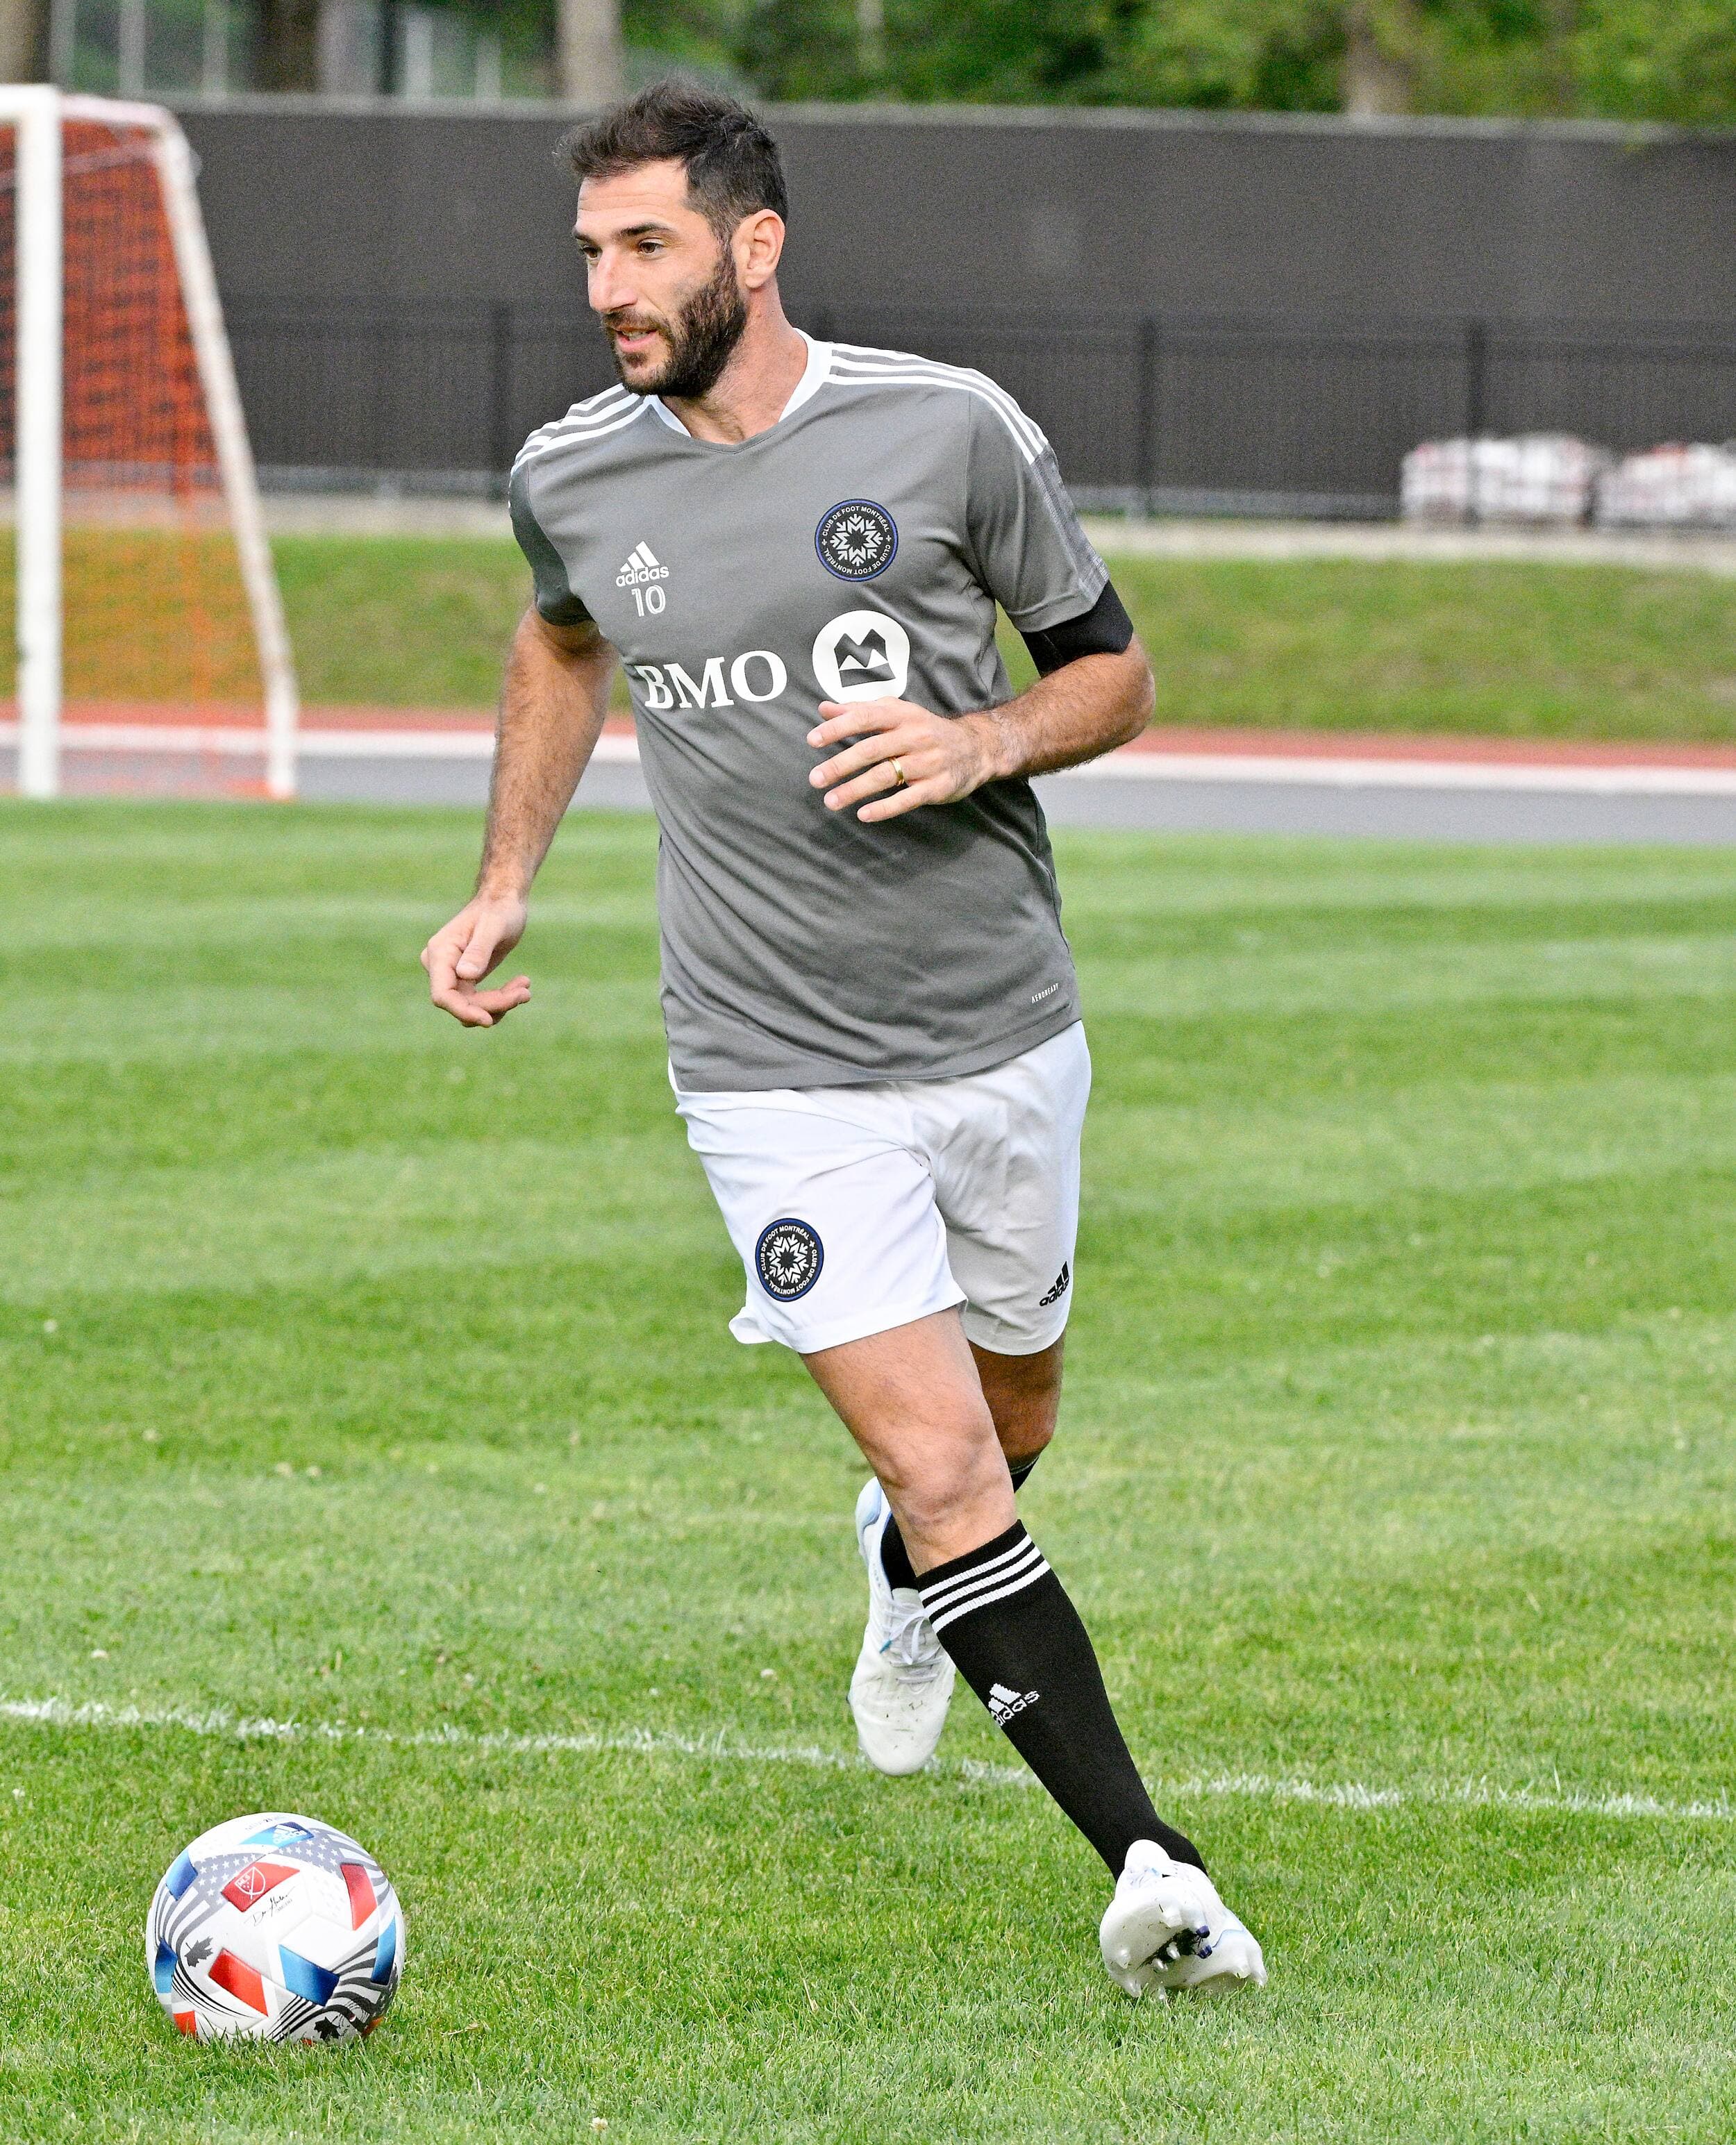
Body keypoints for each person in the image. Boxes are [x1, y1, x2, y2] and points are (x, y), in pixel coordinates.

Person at [421, 80, 1265, 2000]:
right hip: (765, 1069)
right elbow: (562, 638)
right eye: (588, 253)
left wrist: (980, 741)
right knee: (950, 1457)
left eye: (643, 247)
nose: (607, 288)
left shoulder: (942, 427)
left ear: (752, 245)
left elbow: (1113, 667)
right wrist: (504, 876)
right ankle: (1151, 1865)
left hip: (993, 1028)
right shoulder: (573, 468)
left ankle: (903, 1580)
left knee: (1009, 1428)